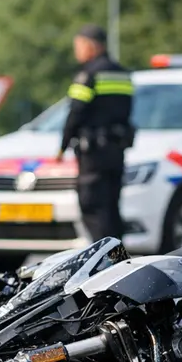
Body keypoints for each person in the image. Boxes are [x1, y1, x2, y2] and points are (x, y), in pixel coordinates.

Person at [55, 23, 135, 242]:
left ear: (91, 46)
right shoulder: (122, 73)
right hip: (116, 150)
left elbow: (76, 113)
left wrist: (62, 146)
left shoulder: (88, 74)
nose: (77, 51)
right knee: (110, 208)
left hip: (93, 154)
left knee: (92, 206)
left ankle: (107, 261)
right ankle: (119, 257)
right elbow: (126, 111)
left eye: (79, 46)